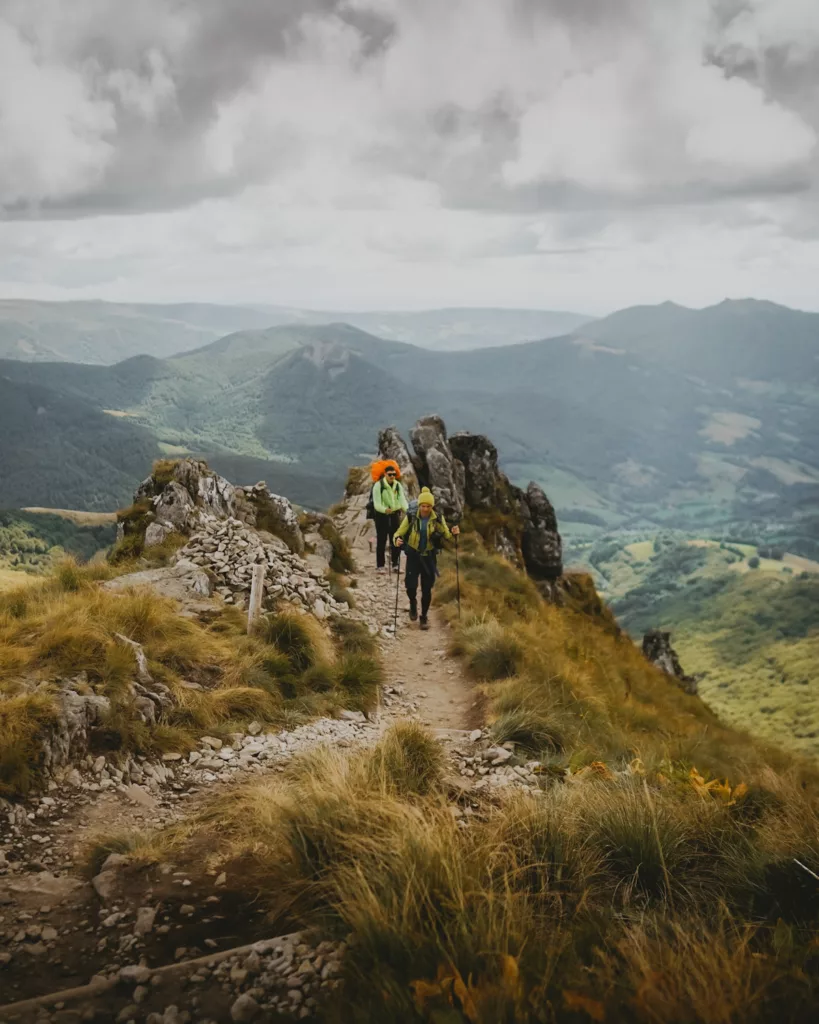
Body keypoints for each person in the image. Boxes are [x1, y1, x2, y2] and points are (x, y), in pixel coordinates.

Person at [394, 487, 460, 629]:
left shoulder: (437, 518)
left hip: (429, 558)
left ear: (432, 506)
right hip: (413, 555)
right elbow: (398, 533)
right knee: (410, 586)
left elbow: (447, 535)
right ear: (419, 506)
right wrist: (397, 540)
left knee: (426, 589)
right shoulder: (411, 516)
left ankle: (424, 617)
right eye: (423, 506)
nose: (425, 509)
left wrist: (454, 532)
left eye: (428, 506)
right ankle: (413, 603)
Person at [370, 459, 409, 573]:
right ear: (385, 474)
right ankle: (380, 566)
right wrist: (384, 509)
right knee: (382, 539)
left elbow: (402, 500)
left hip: (394, 514)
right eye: (390, 474)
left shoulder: (398, 486)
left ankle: (395, 565)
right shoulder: (378, 486)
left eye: (394, 474)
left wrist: (408, 510)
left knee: (396, 538)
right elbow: (377, 504)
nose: (392, 476)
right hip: (381, 516)